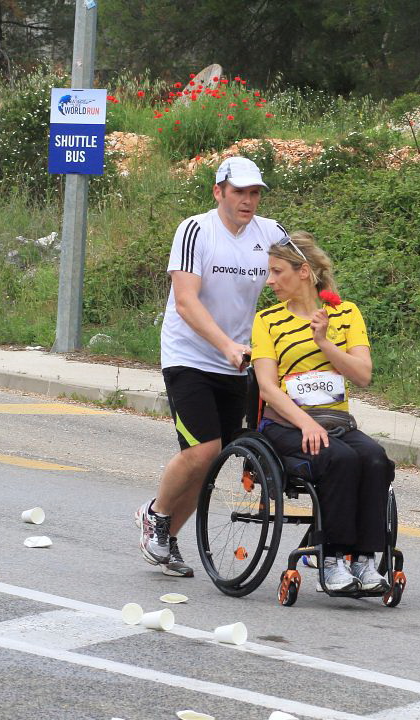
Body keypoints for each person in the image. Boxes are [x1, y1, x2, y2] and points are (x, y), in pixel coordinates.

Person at [136, 156, 287, 577]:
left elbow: (299, 278)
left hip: (238, 363)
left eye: (255, 193)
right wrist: (225, 345)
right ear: (218, 191)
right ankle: (155, 515)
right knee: (204, 449)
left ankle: (167, 540)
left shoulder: (271, 233)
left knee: (212, 459)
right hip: (190, 356)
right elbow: (185, 301)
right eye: (239, 191)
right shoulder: (196, 230)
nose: (248, 201)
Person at [250, 231, 394, 594]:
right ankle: (330, 559)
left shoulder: (345, 314)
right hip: (287, 423)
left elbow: (362, 375)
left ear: (304, 272)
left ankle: (363, 560)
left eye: (277, 271)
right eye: (269, 271)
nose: (270, 281)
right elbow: (267, 386)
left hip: (337, 421)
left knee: (375, 459)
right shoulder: (267, 321)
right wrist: (305, 423)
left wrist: (324, 343)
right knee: (340, 459)